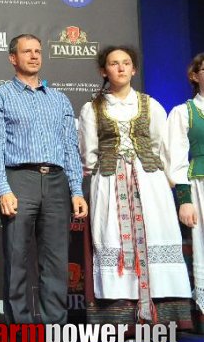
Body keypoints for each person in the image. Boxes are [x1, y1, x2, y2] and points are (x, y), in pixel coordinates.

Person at [0, 34, 88, 342]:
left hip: (56, 181)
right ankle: (23, 333)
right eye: (27, 51)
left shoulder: (59, 100)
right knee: (17, 260)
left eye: (38, 51)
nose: (34, 56)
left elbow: (71, 148)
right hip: (19, 179)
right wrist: (3, 188)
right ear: (13, 58)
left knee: (56, 261)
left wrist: (76, 190)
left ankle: (57, 333)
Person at [79, 46, 192, 326]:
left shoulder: (150, 105)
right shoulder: (92, 108)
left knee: (155, 233)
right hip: (108, 182)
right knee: (113, 238)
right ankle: (119, 320)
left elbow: (160, 147)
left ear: (134, 69)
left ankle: (161, 319)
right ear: (104, 71)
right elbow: (88, 152)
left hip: (149, 182)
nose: (120, 68)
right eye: (114, 64)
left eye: (126, 63)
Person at [166, 52, 204, 314]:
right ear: (194, 76)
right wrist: (185, 200)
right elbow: (175, 159)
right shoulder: (184, 112)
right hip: (200, 184)